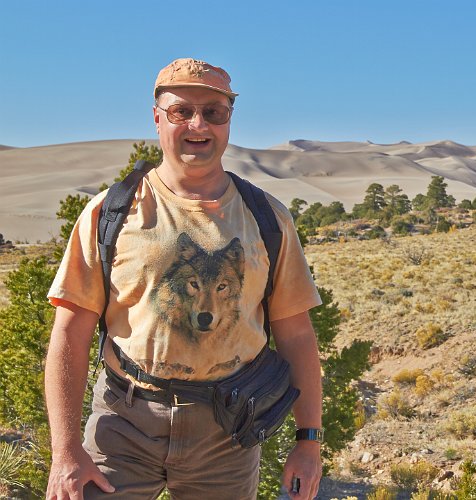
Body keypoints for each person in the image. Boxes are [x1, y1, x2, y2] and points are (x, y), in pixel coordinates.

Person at [44, 58, 324, 499]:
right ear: (157, 118)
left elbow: (297, 334)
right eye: (181, 111)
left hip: (227, 434)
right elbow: (70, 333)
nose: (198, 124)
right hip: (123, 424)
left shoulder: (266, 218)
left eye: (214, 111)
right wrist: (64, 451)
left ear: (229, 120)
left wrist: (308, 442)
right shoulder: (110, 211)